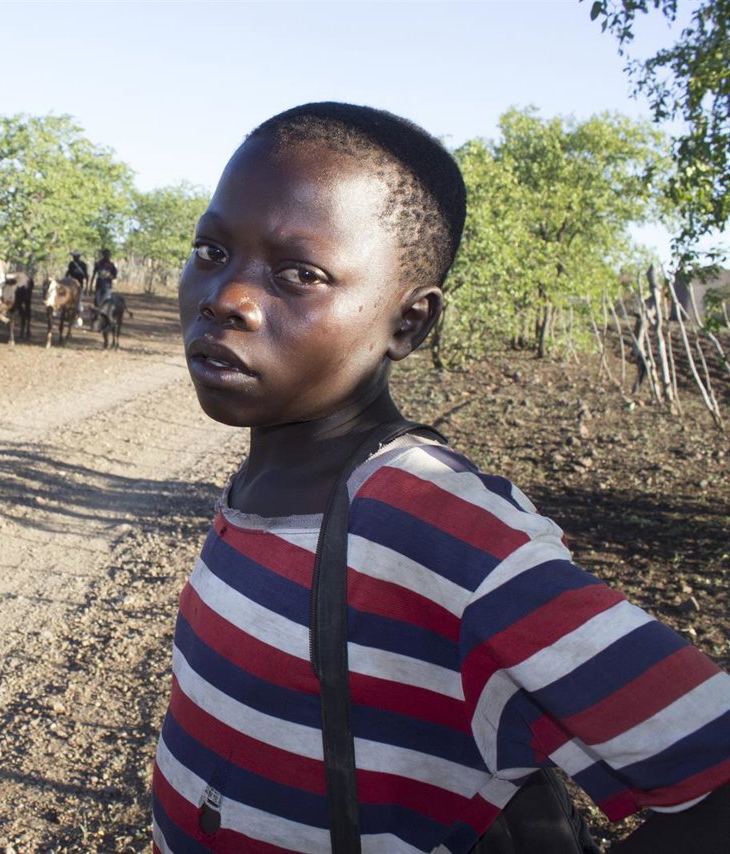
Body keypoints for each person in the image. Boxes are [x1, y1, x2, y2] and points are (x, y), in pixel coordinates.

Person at [151, 102, 730, 853]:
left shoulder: (439, 528)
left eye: (299, 275)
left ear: (409, 324)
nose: (226, 298)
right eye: (211, 251)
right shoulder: (269, 482)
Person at [67, 250, 90, 326]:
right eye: (74, 256)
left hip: (80, 286)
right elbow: (68, 273)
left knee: (78, 302)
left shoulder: (83, 265)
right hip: (70, 286)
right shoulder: (71, 264)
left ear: (79, 257)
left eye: (76, 256)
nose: (74, 257)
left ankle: (78, 317)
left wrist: (87, 288)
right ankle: (70, 317)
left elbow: (86, 276)